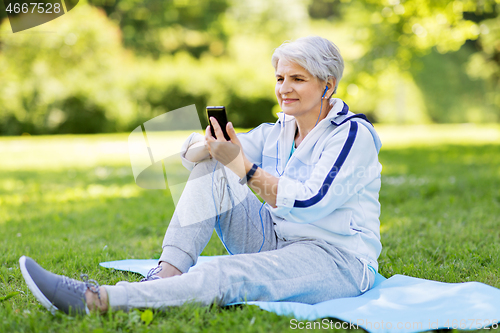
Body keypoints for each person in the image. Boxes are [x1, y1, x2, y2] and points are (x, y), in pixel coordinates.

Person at [19, 36, 383, 315]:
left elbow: (309, 202)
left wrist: (241, 165)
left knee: (227, 274)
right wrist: (210, 148)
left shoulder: (351, 135)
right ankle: (168, 272)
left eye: (297, 79)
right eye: (280, 77)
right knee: (212, 166)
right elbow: (200, 154)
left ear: (328, 85)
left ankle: (97, 299)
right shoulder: (280, 130)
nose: (284, 88)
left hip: (335, 260)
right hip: (275, 238)